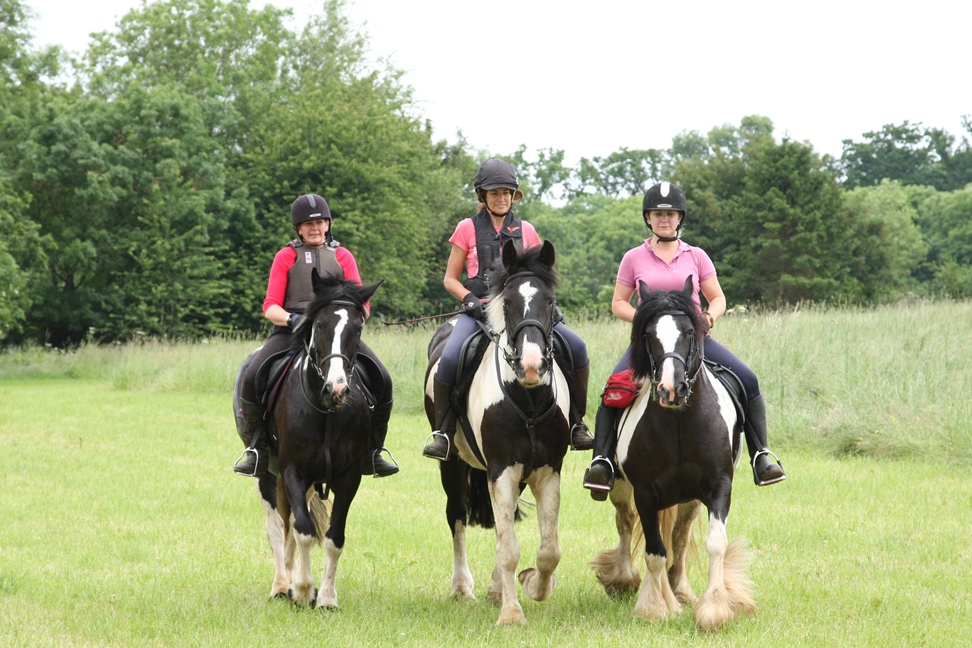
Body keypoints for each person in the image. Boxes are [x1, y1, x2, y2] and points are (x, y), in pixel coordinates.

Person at [583, 181, 785, 499]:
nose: (664, 219)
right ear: (648, 218)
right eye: (657, 214)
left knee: (748, 379)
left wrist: (708, 318)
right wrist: (645, 321)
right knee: (613, 390)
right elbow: (618, 302)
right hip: (650, 344)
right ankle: (603, 462)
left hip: (693, 341)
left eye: (670, 214)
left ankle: (761, 455)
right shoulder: (633, 257)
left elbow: (717, 297)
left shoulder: (697, 256)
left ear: (680, 218)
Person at [423, 158, 593, 460]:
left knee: (577, 348)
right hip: (480, 313)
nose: (501, 198)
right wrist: (468, 298)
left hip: (522, 314)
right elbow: (450, 279)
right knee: (449, 359)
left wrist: (547, 306)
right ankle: (444, 432)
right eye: (494, 193)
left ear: (514, 195)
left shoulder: (527, 230)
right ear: (483, 196)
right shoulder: (466, 228)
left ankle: (577, 423)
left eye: (506, 193)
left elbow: (541, 275)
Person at [234, 193, 399, 478]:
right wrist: (293, 319)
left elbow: (362, 303)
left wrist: (353, 319)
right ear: (298, 228)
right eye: (308, 224)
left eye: (320, 222)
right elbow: (270, 305)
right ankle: (256, 450)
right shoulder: (285, 257)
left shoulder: (343, 256)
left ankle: (373, 450)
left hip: (335, 333)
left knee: (383, 378)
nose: (315, 228)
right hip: (291, 331)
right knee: (252, 376)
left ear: (328, 224)